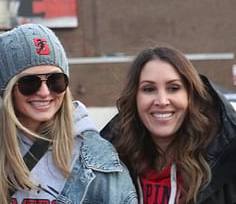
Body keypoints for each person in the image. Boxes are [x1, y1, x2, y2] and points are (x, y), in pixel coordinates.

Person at [0, 23, 137, 204]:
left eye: (55, 80)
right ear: (7, 90)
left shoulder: (99, 160)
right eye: (29, 83)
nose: (44, 92)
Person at [101, 46, 236, 203]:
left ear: (190, 96)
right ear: (135, 98)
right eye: (149, 89)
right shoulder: (109, 165)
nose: (162, 101)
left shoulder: (228, 161)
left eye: (173, 88)